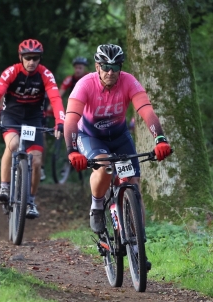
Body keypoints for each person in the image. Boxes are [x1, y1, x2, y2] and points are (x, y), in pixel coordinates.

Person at [63, 44, 172, 267]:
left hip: (120, 136)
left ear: (120, 67)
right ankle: (96, 205)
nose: (110, 72)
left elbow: (146, 111)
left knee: (133, 183)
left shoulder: (129, 81)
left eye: (115, 67)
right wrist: (72, 150)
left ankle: (138, 245)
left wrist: (159, 139)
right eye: (105, 67)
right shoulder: (85, 84)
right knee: (104, 167)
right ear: (97, 66)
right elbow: (71, 118)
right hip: (91, 136)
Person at [0, 39, 65, 219]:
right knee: (13, 145)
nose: (31, 62)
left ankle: (30, 201)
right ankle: (4, 187)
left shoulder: (45, 74)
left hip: (34, 118)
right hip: (12, 115)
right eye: (27, 58)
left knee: (36, 162)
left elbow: (55, 98)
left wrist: (60, 121)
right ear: (21, 57)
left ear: (40, 59)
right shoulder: (11, 71)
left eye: (35, 58)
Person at [40, 56, 89, 180]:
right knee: (66, 128)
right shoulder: (70, 79)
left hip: (88, 111)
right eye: (76, 68)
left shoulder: (89, 78)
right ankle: (68, 154)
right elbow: (60, 93)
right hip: (74, 111)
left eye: (80, 68)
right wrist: (51, 107)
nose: (78, 70)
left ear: (84, 68)